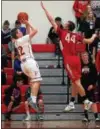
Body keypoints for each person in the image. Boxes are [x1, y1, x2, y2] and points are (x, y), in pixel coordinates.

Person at [41, 1, 97, 111]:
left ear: (67, 26)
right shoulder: (76, 36)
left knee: (75, 82)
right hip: (77, 59)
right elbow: (89, 41)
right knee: (75, 82)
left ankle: (86, 100)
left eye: (66, 22)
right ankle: (72, 102)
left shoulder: (62, 32)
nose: (64, 23)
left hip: (69, 60)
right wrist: (95, 35)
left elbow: (51, 20)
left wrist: (45, 10)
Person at [11, 20, 42, 112]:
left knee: (33, 81)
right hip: (29, 62)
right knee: (37, 81)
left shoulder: (17, 41)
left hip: (23, 65)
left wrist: (27, 24)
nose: (21, 31)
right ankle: (32, 100)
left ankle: (32, 98)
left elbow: (28, 32)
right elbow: (35, 30)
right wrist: (30, 23)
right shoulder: (22, 39)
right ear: (17, 35)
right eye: (19, 31)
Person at [80, 52, 99, 122]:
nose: (84, 57)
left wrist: (92, 85)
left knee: (93, 102)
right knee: (84, 102)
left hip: (90, 86)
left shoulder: (92, 65)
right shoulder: (79, 65)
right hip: (82, 87)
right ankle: (86, 117)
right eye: (83, 56)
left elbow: (96, 77)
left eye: (85, 55)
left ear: (88, 57)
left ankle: (96, 117)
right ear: (81, 57)